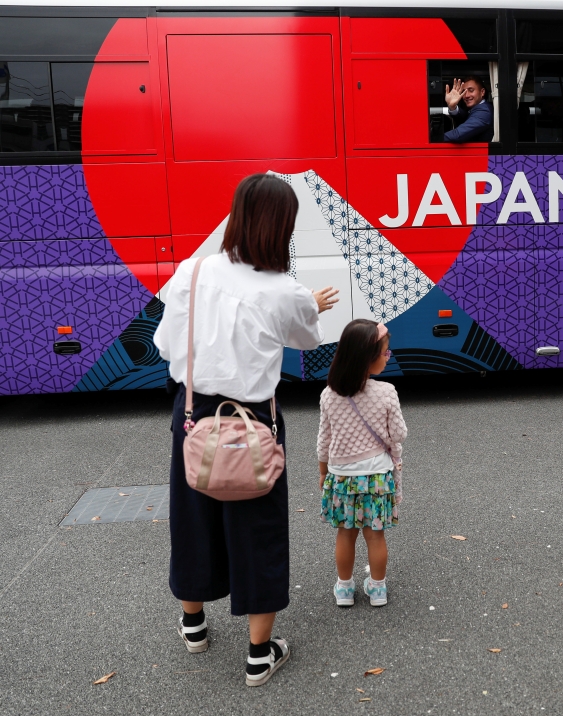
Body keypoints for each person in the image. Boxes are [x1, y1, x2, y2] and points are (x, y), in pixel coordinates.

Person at [154, 173, 339, 686]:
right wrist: (313, 306)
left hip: (192, 417)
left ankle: (194, 625)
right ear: (283, 228)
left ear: (236, 216)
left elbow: (167, 348)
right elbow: (306, 338)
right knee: (257, 531)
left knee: (193, 519)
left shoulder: (192, 272)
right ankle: (260, 653)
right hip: (252, 424)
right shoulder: (286, 291)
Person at [317, 319, 407, 609]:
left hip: (342, 477)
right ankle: (377, 589)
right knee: (375, 534)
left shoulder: (329, 394)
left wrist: (322, 472)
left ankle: (344, 589)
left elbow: (324, 439)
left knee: (346, 533)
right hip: (377, 477)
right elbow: (400, 433)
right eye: (385, 352)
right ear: (368, 358)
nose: (387, 356)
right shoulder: (386, 391)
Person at [443, 76, 494, 143]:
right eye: (464, 92)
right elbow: (464, 117)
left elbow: (457, 135)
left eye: (471, 90)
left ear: (482, 92)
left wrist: (430, 139)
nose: (466, 95)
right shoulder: (476, 108)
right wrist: (452, 107)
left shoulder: (484, 111)